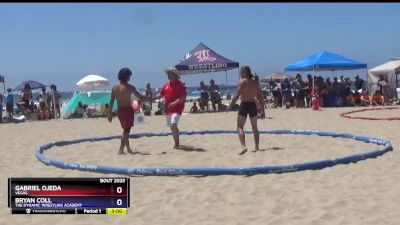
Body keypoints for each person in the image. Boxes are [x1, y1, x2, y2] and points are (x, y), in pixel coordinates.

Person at [108, 67, 148, 155]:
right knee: (126, 131)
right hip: (127, 110)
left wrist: (110, 113)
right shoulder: (130, 87)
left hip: (119, 111)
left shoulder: (114, 87)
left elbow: (111, 101)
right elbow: (140, 97)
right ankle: (120, 150)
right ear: (126, 76)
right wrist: (147, 97)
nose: (130, 78)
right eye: (129, 76)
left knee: (126, 131)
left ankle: (128, 149)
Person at [229, 65, 265, 155]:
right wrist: (262, 110)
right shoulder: (255, 82)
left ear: (245, 72)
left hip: (244, 105)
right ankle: (256, 147)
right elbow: (260, 97)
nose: (240, 74)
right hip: (253, 105)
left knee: (239, 126)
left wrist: (230, 105)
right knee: (255, 128)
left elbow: (237, 96)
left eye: (241, 72)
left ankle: (244, 146)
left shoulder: (242, 82)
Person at [152, 67, 187, 149]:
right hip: (168, 110)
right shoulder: (166, 85)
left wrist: (174, 103)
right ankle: (177, 141)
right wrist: (153, 98)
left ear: (175, 75)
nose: (168, 75)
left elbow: (183, 97)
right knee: (172, 128)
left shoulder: (180, 84)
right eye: (168, 74)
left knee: (173, 125)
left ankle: (177, 144)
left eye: (170, 74)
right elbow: (161, 94)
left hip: (177, 109)